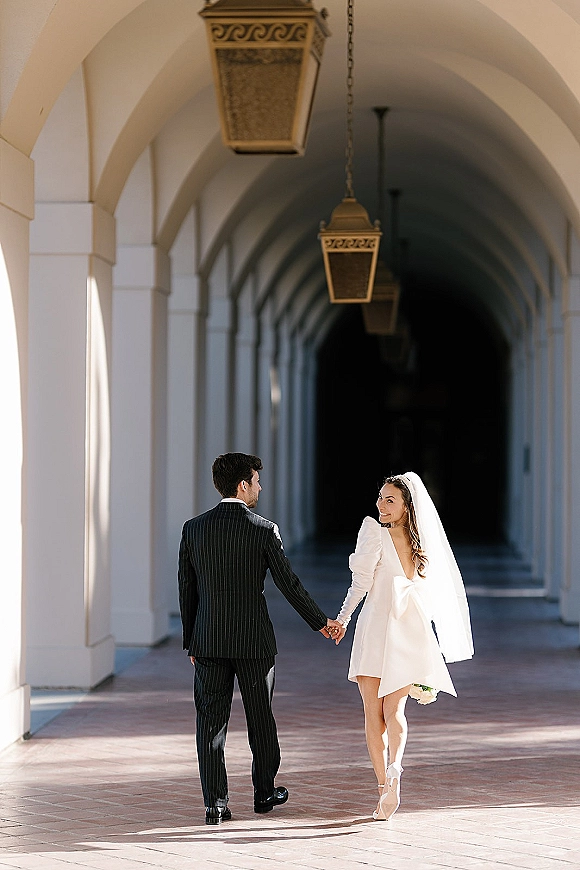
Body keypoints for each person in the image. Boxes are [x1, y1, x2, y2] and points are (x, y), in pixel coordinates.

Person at [178, 452, 343, 825]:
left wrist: (191, 640)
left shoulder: (194, 528)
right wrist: (321, 622)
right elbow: (289, 584)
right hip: (254, 642)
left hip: (208, 641)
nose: (260, 487)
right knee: (261, 718)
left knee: (210, 722)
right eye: (256, 481)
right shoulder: (263, 529)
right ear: (243, 485)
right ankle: (265, 792)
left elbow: (187, 589)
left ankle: (215, 804)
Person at [332, 472, 473, 821]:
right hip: (409, 629)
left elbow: (360, 583)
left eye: (390, 499)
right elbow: (432, 593)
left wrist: (343, 618)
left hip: (377, 629)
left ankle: (383, 786)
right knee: (395, 712)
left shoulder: (373, 533)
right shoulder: (424, 542)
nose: (381, 504)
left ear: (407, 507)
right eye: (379, 497)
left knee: (373, 716)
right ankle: (396, 767)